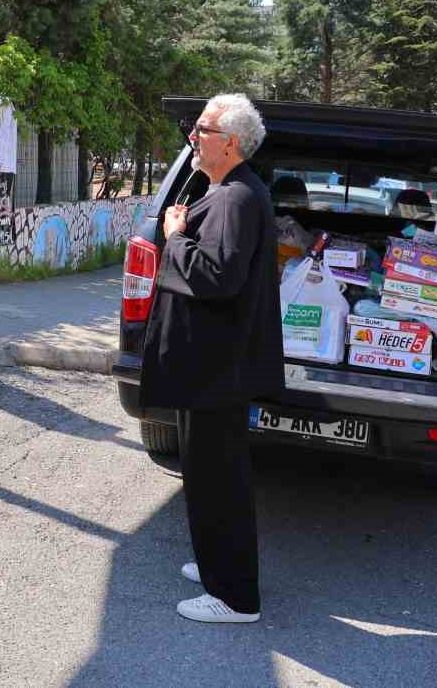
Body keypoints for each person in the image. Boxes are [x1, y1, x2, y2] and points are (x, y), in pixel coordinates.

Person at [139, 93, 282, 624]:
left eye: (202, 129)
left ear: (231, 143)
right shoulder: (230, 192)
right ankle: (216, 563)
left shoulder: (234, 199)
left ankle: (235, 596)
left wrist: (175, 236)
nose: (193, 138)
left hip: (217, 369)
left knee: (219, 478)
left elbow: (214, 277)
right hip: (216, 366)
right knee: (207, 473)